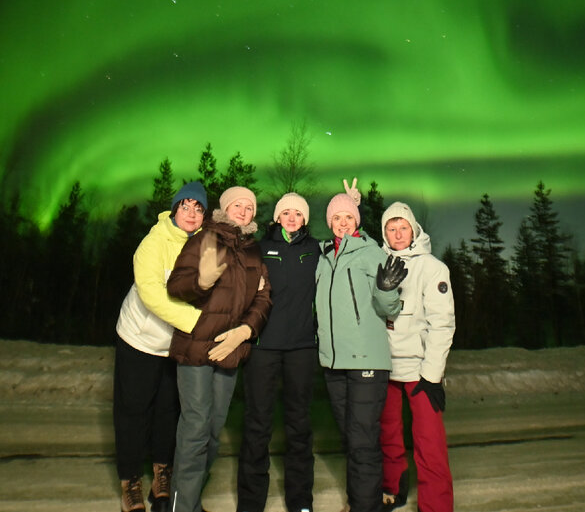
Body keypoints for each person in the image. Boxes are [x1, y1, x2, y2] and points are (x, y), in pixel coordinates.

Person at [166, 186, 272, 512]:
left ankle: (191, 497)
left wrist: (246, 329)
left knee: (213, 431)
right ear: (225, 208)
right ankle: (181, 506)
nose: (243, 210)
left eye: (249, 207)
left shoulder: (254, 251)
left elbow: (263, 297)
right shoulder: (204, 239)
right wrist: (201, 281)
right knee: (196, 427)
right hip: (197, 346)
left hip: (230, 350)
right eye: (237, 205)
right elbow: (175, 285)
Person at [112, 181, 209, 512]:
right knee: (134, 412)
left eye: (199, 209)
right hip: (139, 339)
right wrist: (199, 323)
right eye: (187, 206)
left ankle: (161, 475)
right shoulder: (153, 243)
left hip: (174, 346)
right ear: (175, 208)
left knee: (169, 411)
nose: (192, 213)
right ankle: (130, 482)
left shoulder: (204, 246)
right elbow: (153, 295)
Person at [315, 179, 408, 512]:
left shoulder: (371, 253)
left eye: (349, 217)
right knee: (351, 441)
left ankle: (364, 507)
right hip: (333, 364)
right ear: (330, 223)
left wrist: (385, 289)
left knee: (363, 441)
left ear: (357, 221)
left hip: (367, 360)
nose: (343, 223)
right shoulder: (324, 258)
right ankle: (361, 502)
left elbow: (390, 308)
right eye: (337, 218)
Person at [237, 192, 322, 512]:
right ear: (276, 217)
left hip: (301, 347)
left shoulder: (314, 249)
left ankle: (301, 502)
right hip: (263, 348)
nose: (291, 217)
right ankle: (250, 502)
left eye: (297, 213)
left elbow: (347, 246)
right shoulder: (259, 248)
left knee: (299, 426)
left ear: (305, 219)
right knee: (257, 424)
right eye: (285, 212)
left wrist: (354, 209)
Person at [378, 202, 455, 512]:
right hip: (384, 365)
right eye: (391, 229)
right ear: (385, 233)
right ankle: (392, 488)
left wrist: (432, 375)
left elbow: (442, 323)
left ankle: (435, 505)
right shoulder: (377, 263)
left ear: (413, 230)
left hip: (420, 369)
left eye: (403, 228)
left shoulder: (432, 267)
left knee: (429, 443)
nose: (398, 234)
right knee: (388, 434)